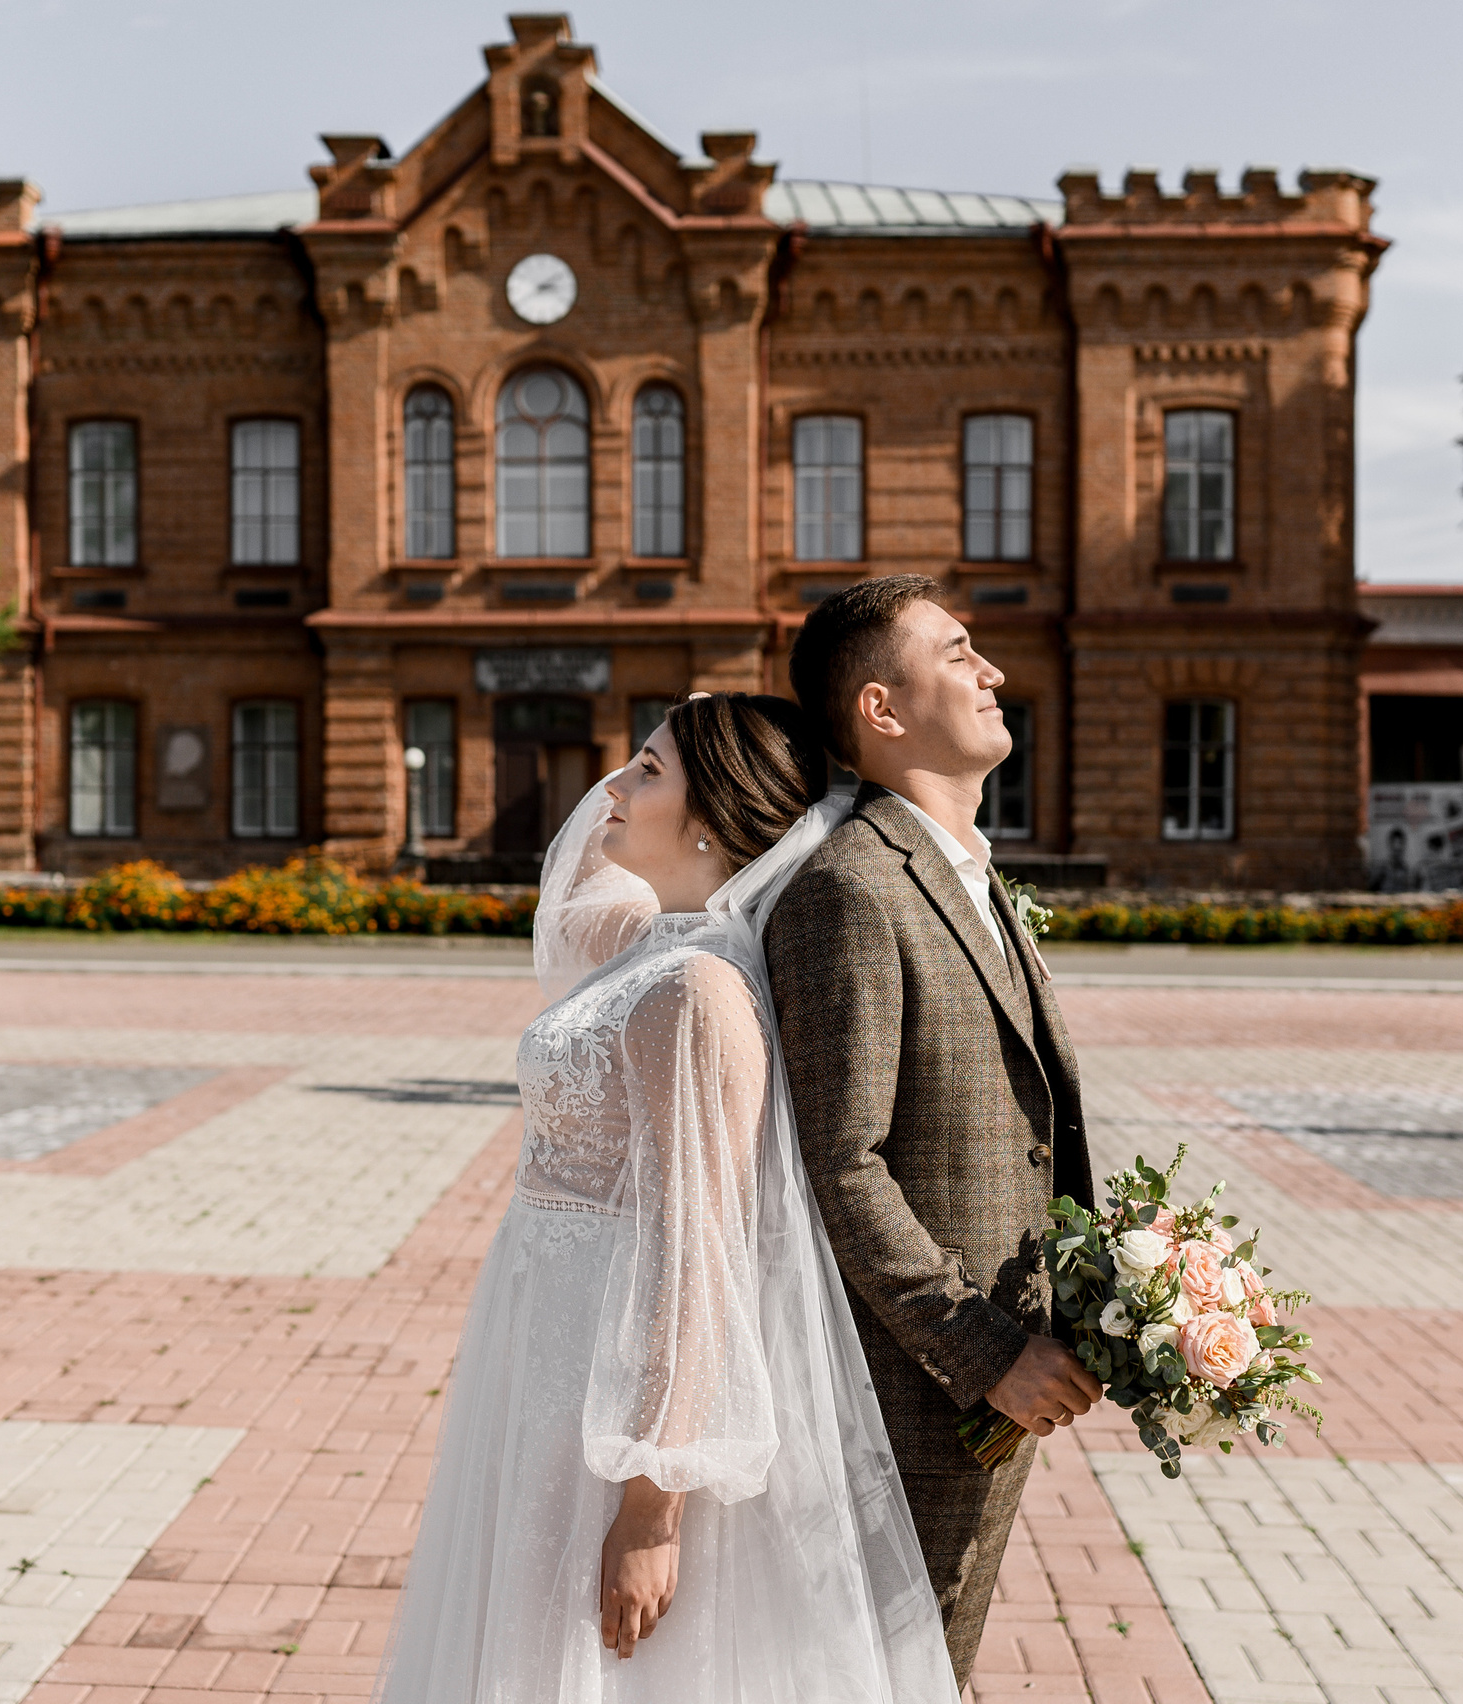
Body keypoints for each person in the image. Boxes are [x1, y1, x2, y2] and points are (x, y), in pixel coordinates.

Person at [376, 692, 958, 1703]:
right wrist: (673, 749)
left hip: (620, 1369)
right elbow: (567, 905)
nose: (610, 787)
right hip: (548, 1348)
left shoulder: (695, 993)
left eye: (645, 771)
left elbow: (699, 1252)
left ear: (708, 819)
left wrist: (651, 1506)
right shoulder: (645, 942)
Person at [765, 576, 1103, 1691]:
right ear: (881, 709)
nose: (992, 671)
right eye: (958, 654)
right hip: (911, 1391)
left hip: (992, 1383)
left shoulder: (968, 875)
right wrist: (988, 1356)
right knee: (888, 1672)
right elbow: (840, 1164)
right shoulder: (852, 891)